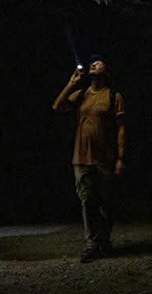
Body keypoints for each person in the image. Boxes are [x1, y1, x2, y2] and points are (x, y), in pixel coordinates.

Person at [52, 54, 126, 263]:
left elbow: (121, 128)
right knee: (87, 201)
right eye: (92, 63)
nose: (93, 64)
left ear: (106, 71)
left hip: (105, 157)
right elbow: (57, 107)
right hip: (81, 157)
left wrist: (120, 157)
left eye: (99, 62)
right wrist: (70, 83)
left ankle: (104, 239)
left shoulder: (113, 96)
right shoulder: (82, 94)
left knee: (106, 202)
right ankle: (92, 245)